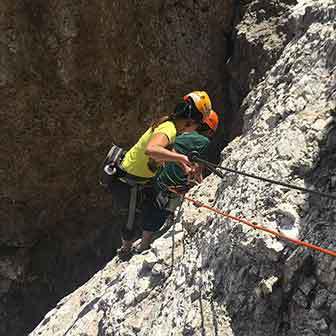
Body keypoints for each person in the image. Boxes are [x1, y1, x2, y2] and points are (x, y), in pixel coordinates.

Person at [111, 91, 215, 260]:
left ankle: (137, 245)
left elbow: (168, 147)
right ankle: (125, 249)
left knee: (153, 204)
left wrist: (183, 165)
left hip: (141, 177)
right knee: (131, 216)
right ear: (191, 121)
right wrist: (181, 157)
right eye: (198, 124)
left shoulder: (170, 125)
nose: (197, 129)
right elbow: (152, 149)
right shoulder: (169, 128)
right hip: (129, 179)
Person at [134, 110, 219, 252]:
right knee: (161, 210)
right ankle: (145, 244)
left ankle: (144, 242)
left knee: (152, 208)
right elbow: (197, 169)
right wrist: (202, 187)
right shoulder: (204, 142)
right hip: (172, 185)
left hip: (157, 176)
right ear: (210, 131)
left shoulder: (180, 132)